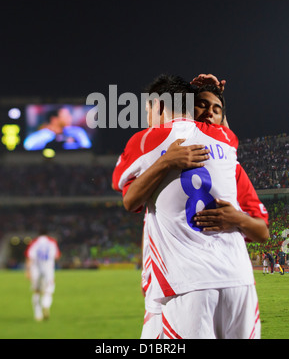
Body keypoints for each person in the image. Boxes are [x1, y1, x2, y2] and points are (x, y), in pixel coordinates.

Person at [112, 73, 267, 339]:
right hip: (237, 277)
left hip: (183, 282)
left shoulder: (147, 140)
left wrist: (165, 161)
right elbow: (225, 133)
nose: (209, 113)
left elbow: (128, 199)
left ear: (157, 106)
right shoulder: (226, 140)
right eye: (202, 106)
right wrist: (215, 98)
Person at [25, 230, 61, 321]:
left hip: (36, 270)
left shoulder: (34, 242)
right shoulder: (52, 242)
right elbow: (57, 256)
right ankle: (45, 305)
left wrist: (28, 271)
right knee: (48, 291)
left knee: (36, 292)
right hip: (48, 270)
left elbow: (29, 257)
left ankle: (38, 315)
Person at [24, 106, 92, 150]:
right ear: (54, 119)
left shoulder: (77, 132)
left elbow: (87, 146)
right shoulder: (39, 136)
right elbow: (27, 147)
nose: (69, 118)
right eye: (66, 116)